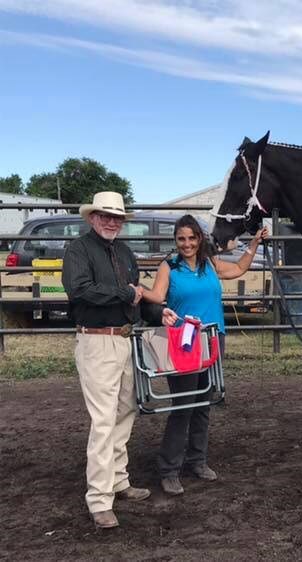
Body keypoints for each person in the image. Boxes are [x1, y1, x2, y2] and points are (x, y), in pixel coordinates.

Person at [141, 214, 269, 496]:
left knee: (204, 403)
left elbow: (238, 270)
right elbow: (157, 295)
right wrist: (135, 290)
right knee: (183, 405)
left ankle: (197, 460)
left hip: (213, 339)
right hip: (185, 341)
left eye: (191, 238)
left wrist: (254, 245)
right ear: (175, 241)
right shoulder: (169, 267)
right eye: (181, 239)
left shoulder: (209, 263)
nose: (186, 244)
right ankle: (169, 469)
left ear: (199, 239)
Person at [62, 191, 165, 530]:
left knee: (126, 409)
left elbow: (136, 296)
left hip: (123, 338)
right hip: (96, 340)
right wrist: (125, 293)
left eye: (116, 217)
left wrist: (157, 312)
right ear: (92, 218)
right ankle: (99, 498)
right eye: (105, 215)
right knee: (104, 419)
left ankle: (117, 480)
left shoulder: (123, 252)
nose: (111, 221)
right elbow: (79, 290)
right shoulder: (78, 250)